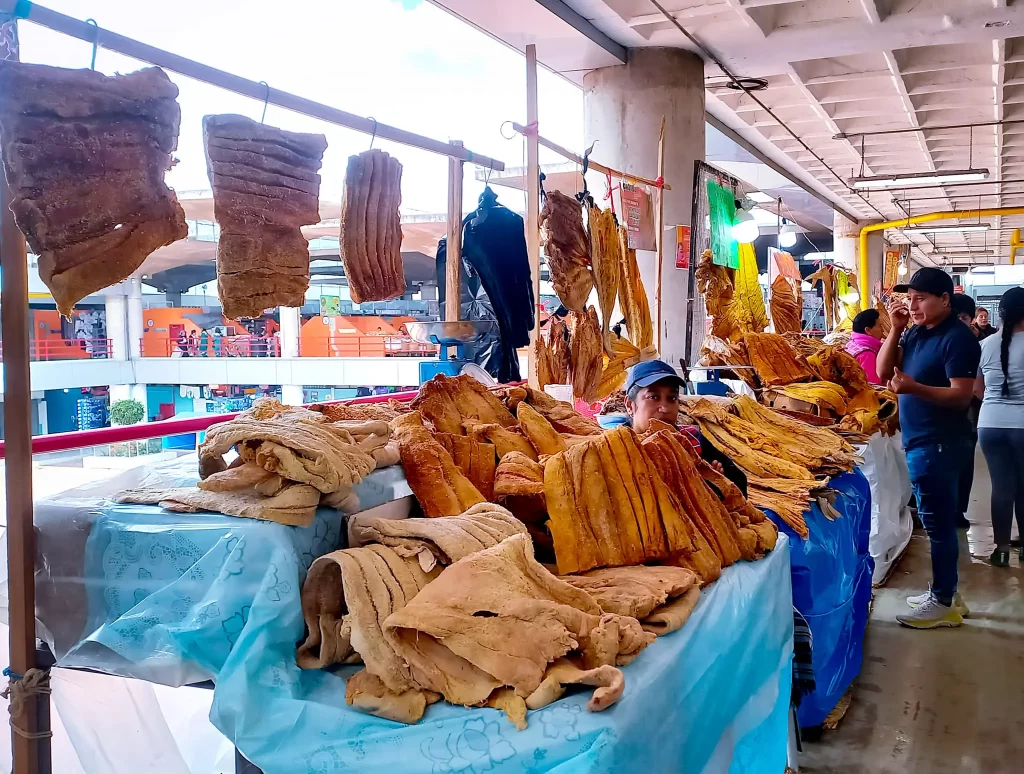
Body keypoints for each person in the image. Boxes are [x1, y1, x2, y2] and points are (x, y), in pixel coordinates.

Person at [877, 268, 980, 629]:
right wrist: (894, 329)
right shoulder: (918, 333)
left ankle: (943, 602)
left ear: (945, 299)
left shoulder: (958, 339)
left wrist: (914, 388)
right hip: (920, 440)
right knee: (936, 524)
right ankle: (948, 591)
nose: (913, 304)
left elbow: (962, 395)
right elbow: (882, 371)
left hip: (940, 443)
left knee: (938, 526)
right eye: (909, 298)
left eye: (920, 298)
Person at [622, 360, 747, 495]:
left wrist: (715, 483)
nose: (665, 408)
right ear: (630, 405)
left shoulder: (691, 438)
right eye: (653, 397)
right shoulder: (619, 448)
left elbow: (739, 481)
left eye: (672, 398)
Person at [976, 287, 1024, 567]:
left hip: (991, 424)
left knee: (1001, 487)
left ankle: (1002, 549)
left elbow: (978, 389)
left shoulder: (985, 345)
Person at [951, 293, 981, 527]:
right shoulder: (929, 337)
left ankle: (958, 509)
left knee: (964, 460)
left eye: (963, 317)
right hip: (938, 414)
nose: (959, 322)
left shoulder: (974, 343)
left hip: (967, 412)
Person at [846, 309, 885, 384]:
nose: (883, 330)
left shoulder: (851, 344)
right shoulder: (867, 354)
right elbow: (874, 386)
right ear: (868, 330)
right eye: (880, 326)